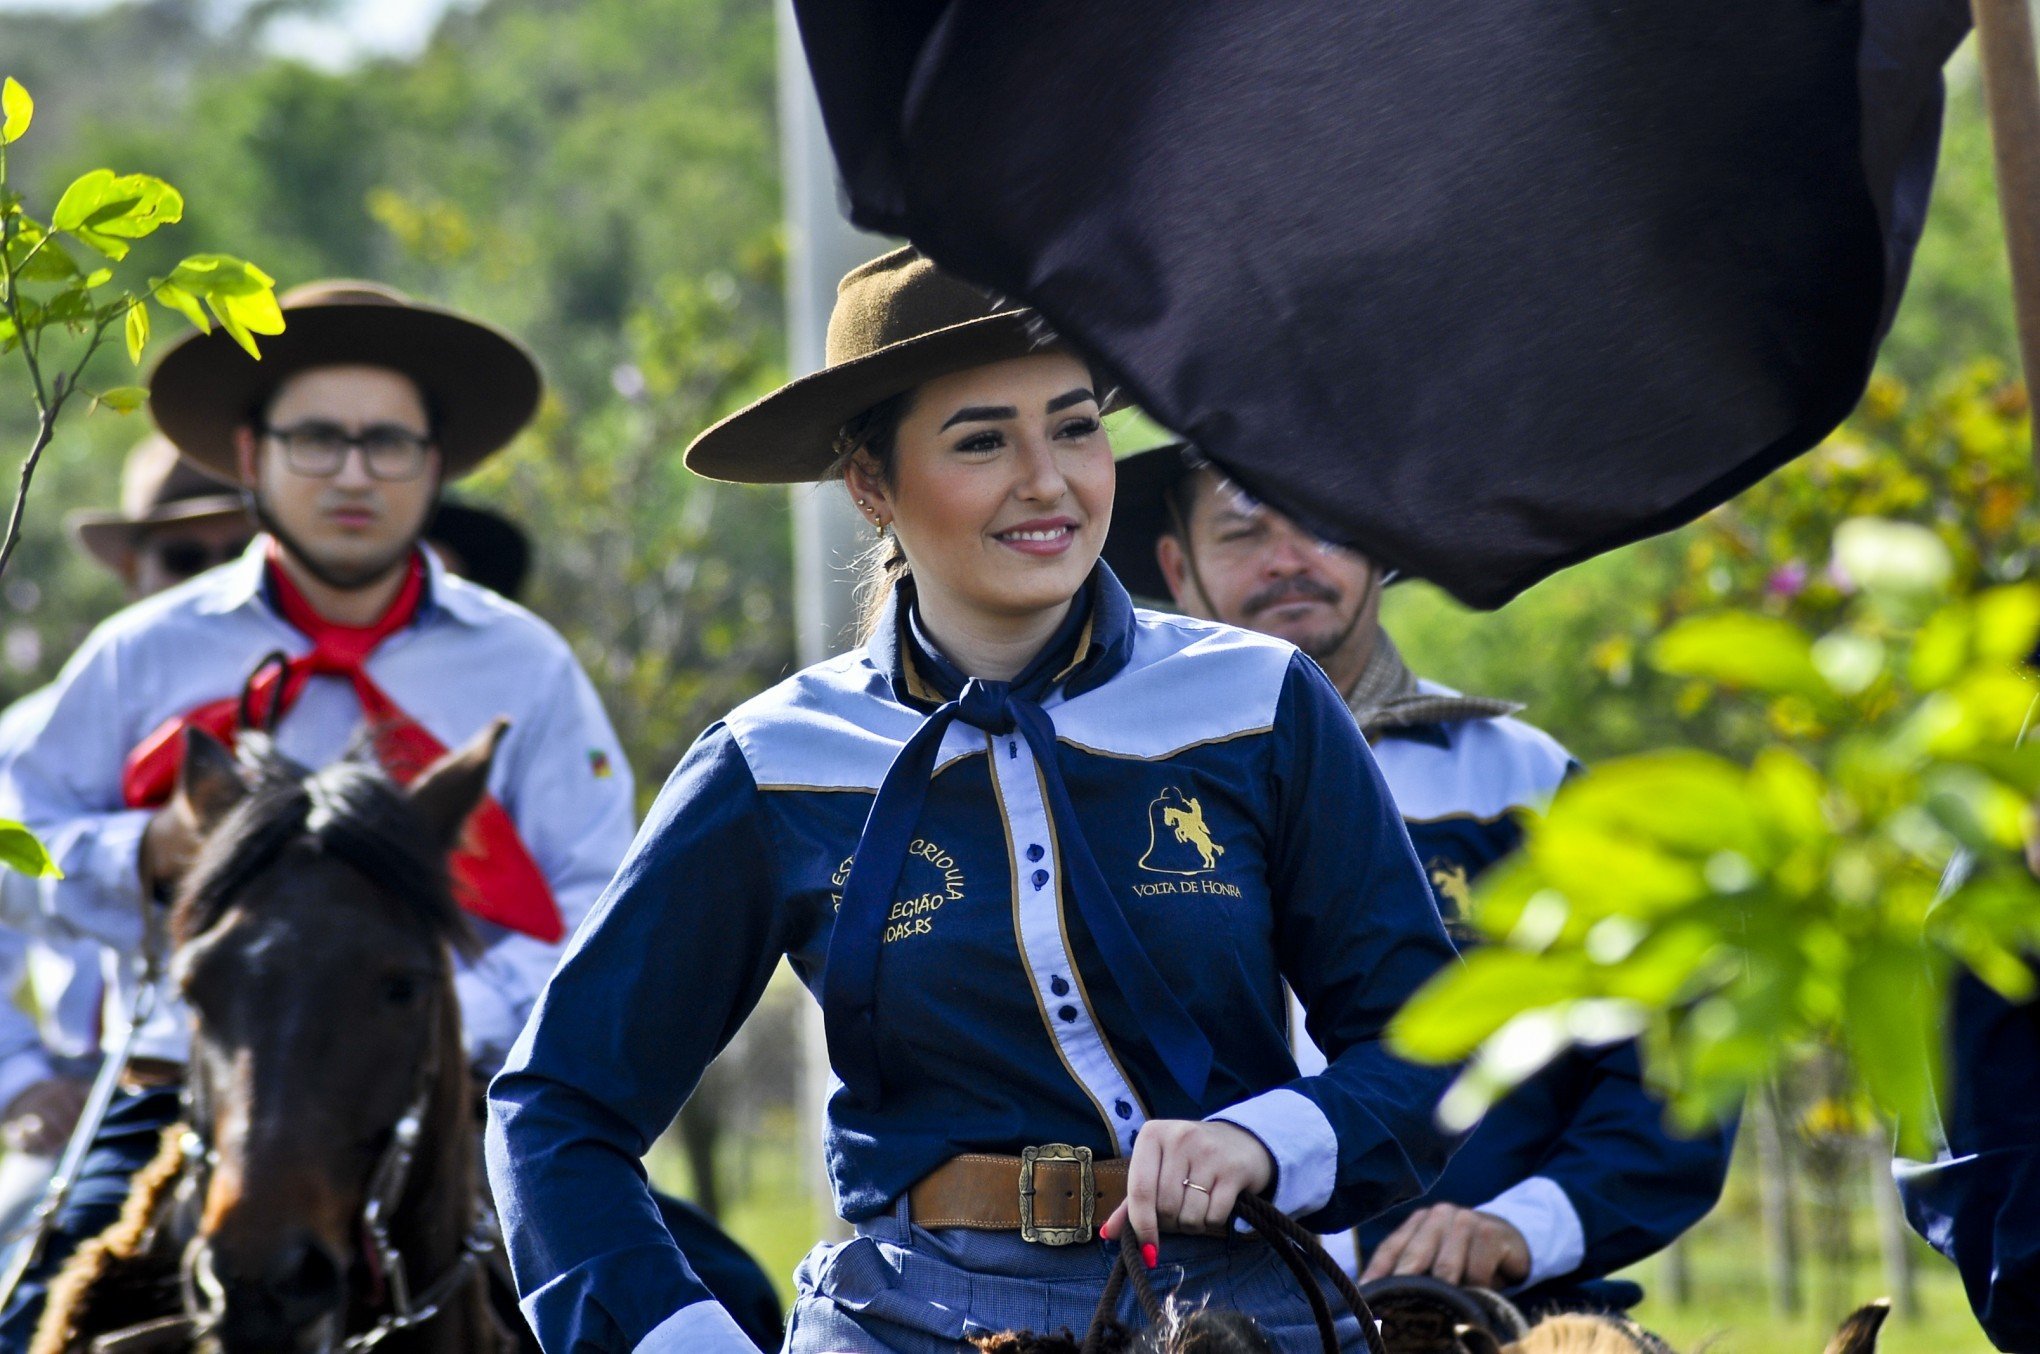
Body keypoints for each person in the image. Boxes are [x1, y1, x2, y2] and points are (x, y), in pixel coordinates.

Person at [487, 247, 1463, 1353]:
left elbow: (1432, 1043)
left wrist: (1273, 1139)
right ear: (871, 485)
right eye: (982, 440)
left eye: (1077, 425)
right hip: (904, 1317)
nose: (1047, 480)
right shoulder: (773, 762)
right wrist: (675, 1339)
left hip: (1245, 1309)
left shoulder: (1260, 702)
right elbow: (557, 1109)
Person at [0, 280, 774, 1352]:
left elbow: (601, 898)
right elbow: (12, 836)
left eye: (389, 443)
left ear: (435, 463)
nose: (355, 473)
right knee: (38, 1315)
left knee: (720, 1295)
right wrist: (142, 853)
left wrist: (424, 1014)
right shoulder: (147, 652)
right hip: (192, 1089)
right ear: (251, 452)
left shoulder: (523, 665)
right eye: (317, 440)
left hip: (461, 1097)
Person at [1101, 444, 1734, 1312]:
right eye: (1244, 532)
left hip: (1485, 1322)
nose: (1288, 560)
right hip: (1206, 1317)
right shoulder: (1113, 788)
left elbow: (1678, 1068)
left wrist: (1522, 1227)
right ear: (1178, 565)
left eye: (1322, 523)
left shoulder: (1526, 788)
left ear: (1379, 542)